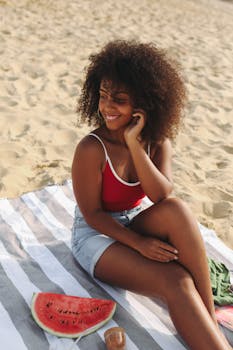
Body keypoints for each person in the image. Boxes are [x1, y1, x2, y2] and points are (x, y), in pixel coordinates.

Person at [71, 40, 231, 349]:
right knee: (177, 281)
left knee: (177, 210)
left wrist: (134, 143)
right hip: (94, 236)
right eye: (103, 96)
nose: (106, 107)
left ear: (143, 104)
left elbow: (161, 196)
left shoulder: (156, 142)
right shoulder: (92, 148)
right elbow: (92, 215)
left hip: (132, 221)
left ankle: (209, 319)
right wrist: (139, 243)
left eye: (119, 99)